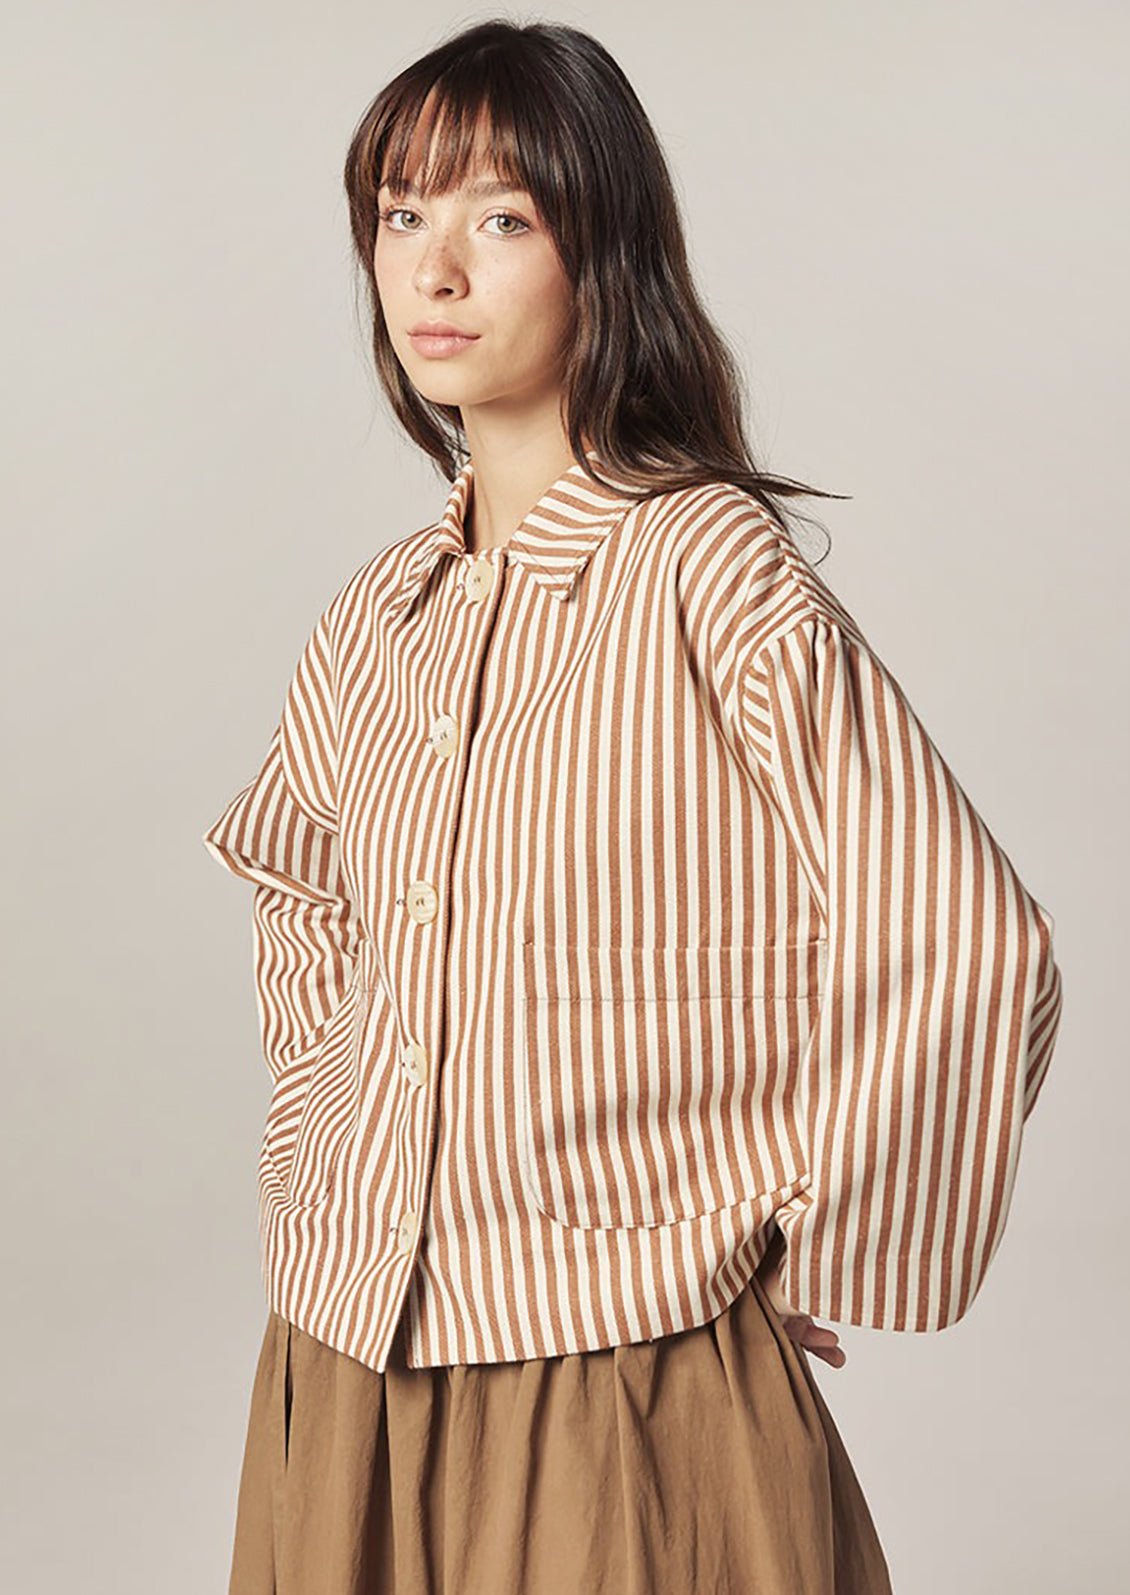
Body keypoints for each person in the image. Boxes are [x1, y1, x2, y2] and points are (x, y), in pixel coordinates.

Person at [202, 19, 1063, 1595]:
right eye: (399, 213)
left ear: (603, 251)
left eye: (501, 217)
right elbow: (298, 886)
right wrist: (327, 1165)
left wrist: (824, 1231)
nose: (431, 269)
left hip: (618, 1376)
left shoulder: (700, 564)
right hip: (345, 1363)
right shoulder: (378, 613)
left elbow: (957, 929)